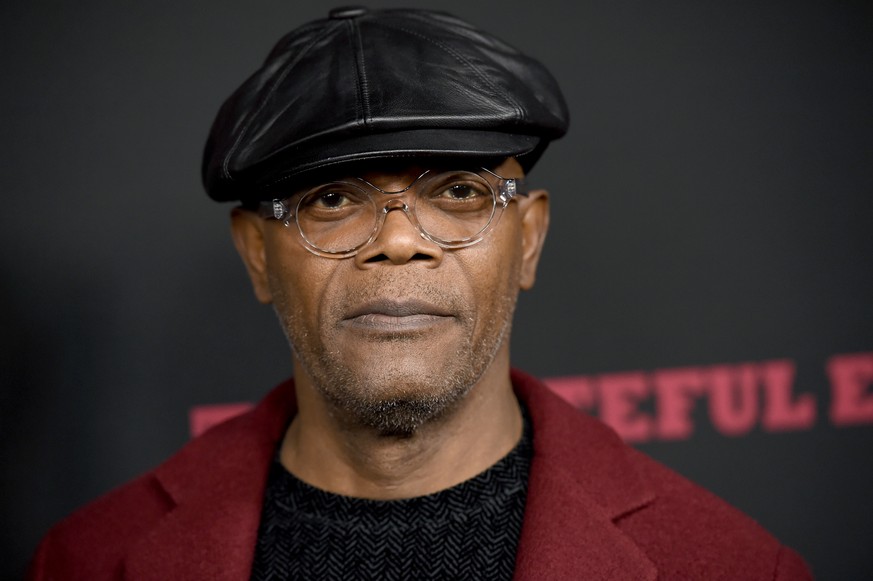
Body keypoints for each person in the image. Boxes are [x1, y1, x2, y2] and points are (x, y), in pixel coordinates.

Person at [29, 7, 812, 580]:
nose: (398, 239)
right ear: (258, 255)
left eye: (461, 190)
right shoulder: (88, 560)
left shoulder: (732, 564)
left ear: (528, 238)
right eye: (331, 198)